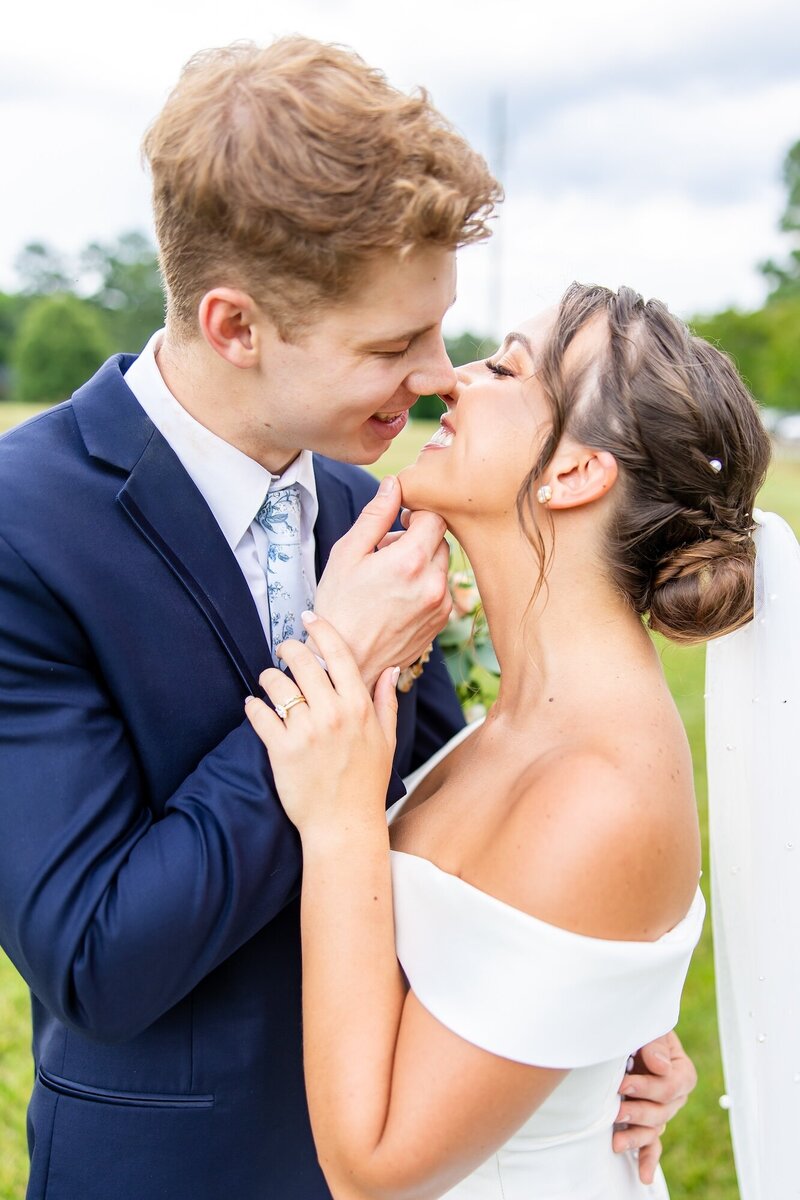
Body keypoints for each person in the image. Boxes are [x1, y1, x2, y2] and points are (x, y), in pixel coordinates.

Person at [0, 39, 693, 1200]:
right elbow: (96, 957)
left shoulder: (368, 504)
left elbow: (433, 826)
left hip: (425, 1134)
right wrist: (333, 655)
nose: (433, 379)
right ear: (234, 326)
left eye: (438, 331)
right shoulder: (23, 529)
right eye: (389, 347)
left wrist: (568, 1010)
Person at [245, 281, 772, 1199]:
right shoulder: (520, 722)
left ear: (574, 473)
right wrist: (595, 1028)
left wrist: (340, 824)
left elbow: (373, 1171)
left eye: (505, 367)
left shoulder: (602, 787)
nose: (451, 378)